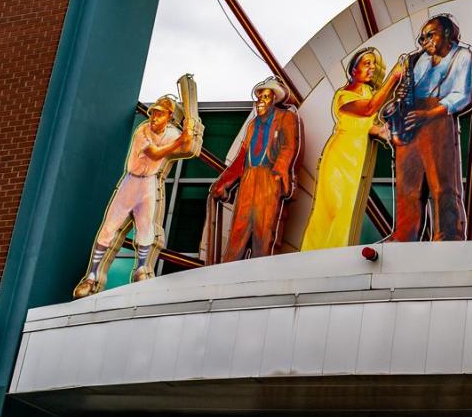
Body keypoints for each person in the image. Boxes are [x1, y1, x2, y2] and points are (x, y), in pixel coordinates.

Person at [73, 92, 201, 299]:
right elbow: (155, 153)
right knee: (109, 228)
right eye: (154, 113)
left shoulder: (170, 133)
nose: (155, 117)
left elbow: (188, 148)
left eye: (160, 114)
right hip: (130, 182)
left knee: (146, 228)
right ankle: (92, 276)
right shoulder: (143, 130)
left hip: (149, 183)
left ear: (169, 116)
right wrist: (181, 141)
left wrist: (190, 130)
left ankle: (142, 269)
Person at [385, 14, 472, 241]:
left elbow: (462, 95)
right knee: (407, 185)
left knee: (442, 184)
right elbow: (411, 89)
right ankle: (404, 235)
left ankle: (447, 235)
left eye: (430, 35)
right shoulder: (421, 60)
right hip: (411, 118)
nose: (424, 41)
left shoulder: (464, 56)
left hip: (438, 118)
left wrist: (427, 114)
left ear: (446, 32)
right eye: (421, 37)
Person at [301, 48, 403, 250]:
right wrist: (393, 78)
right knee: (332, 207)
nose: (372, 68)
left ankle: (335, 252)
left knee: (347, 208)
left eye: (373, 64)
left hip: (356, 159)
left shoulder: (368, 92)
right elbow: (367, 109)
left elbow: (365, 125)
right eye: (367, 63)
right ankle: (313, 253)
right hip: (339, 155)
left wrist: (382, 131)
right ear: (353, 70)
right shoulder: (343, 95)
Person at [209, 77, 301, 261]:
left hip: (269, 178)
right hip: (249, 180)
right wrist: (224, 183)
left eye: (265, 97)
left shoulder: (286, 118)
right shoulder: (252, 126)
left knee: (264, 232)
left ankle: (259, 274)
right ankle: (227, 275)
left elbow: (289, 146)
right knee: (238, 231)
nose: (260, 101)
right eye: (259, 97)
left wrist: (280, 172)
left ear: (274, 99)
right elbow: (241, 158)